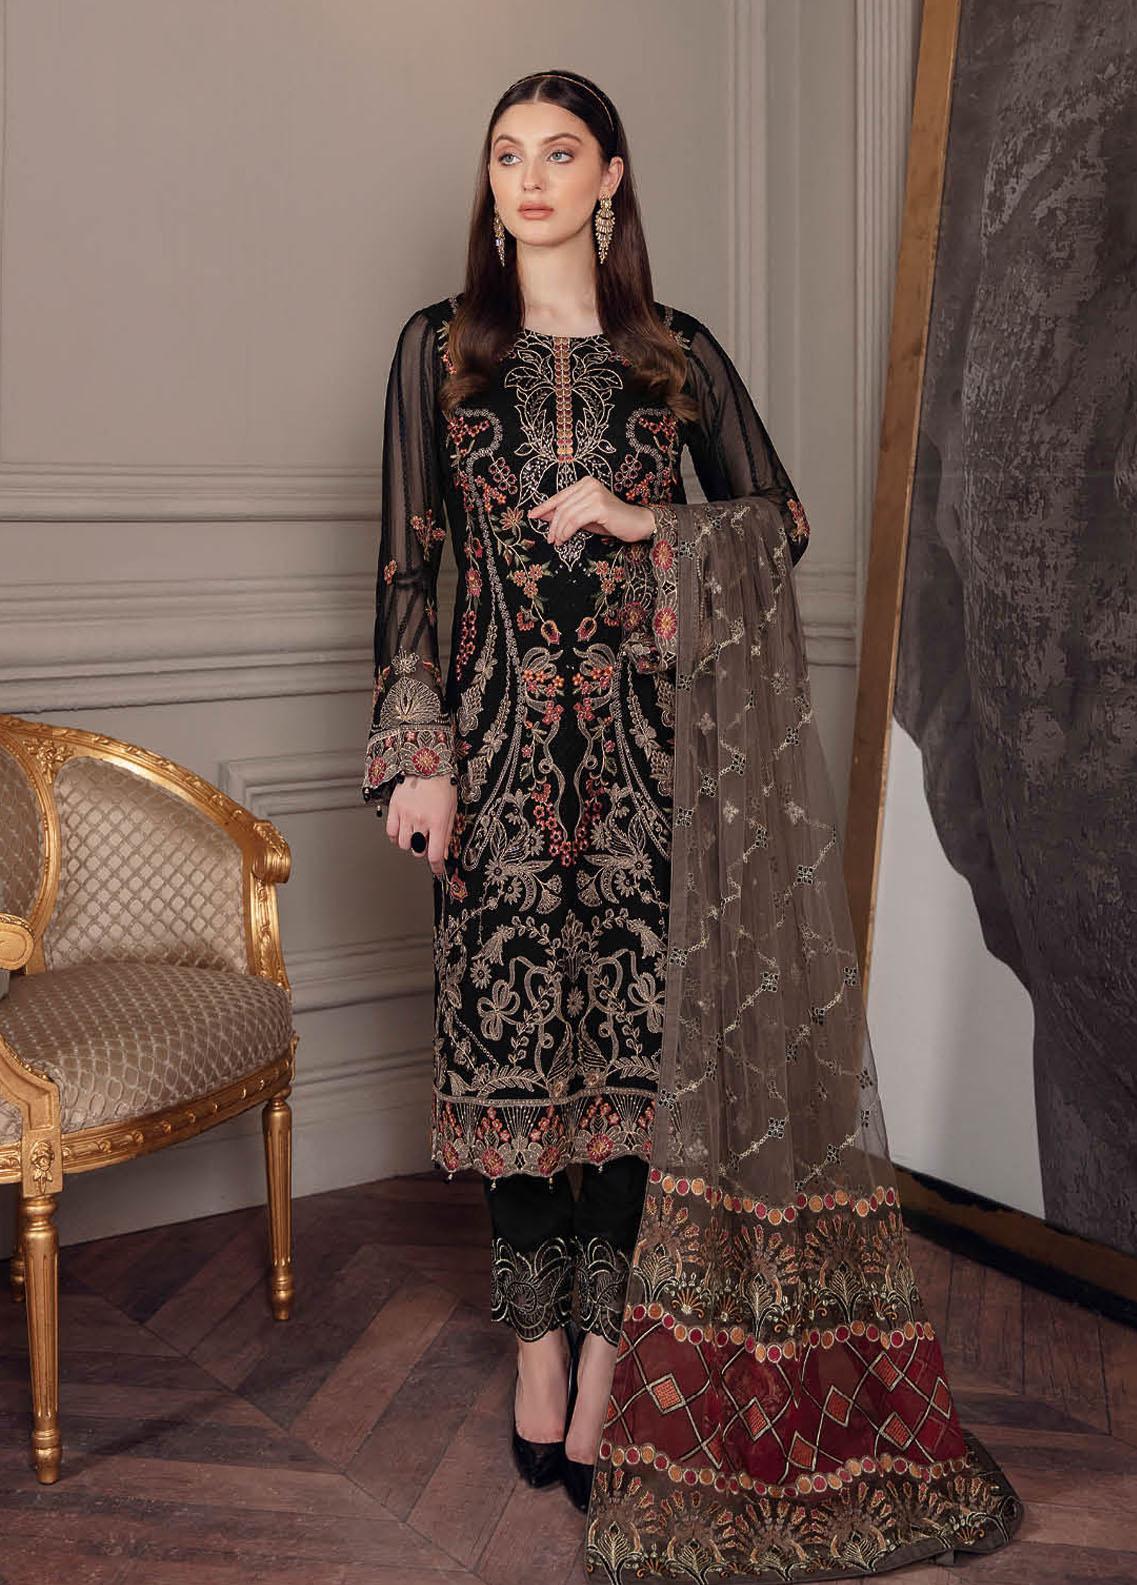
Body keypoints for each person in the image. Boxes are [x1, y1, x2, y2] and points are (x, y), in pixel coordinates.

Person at [362, 67, 1023, 1583]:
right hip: (500, 767)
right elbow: (407, 567)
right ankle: (535, 1356)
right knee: (516, 1062)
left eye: (560, 153)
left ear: (612, 178)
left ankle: (609, 1364)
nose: (530, 179)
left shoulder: (675, 359)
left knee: (630, 1085)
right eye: (507, 155)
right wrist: (417, 754)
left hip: (656, 775)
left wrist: (639, 516)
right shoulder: (441, 355)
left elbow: (776, 525)